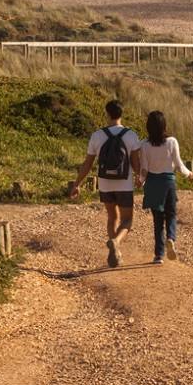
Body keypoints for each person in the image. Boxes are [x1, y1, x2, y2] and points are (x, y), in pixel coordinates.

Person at [70, 100, 142, 268]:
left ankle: (114, 251)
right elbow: (135, 162)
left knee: (112, 217)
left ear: (107, 114)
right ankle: (116, 242)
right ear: (121, 114)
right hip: (124, 184)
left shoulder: (97, 135)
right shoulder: (131, 135)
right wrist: (140, 177)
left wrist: (77, 184)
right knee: (127, 220)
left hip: (105, 183)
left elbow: (87, 163)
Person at [136, 111, 193, 264]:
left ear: (148, 127)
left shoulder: (144, 144)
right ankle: (171, 238)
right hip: (168, 182)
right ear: (164, 125)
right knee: (171, 214)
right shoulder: (172, 141)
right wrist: (189, 174)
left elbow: (144, 168)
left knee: (158, 220)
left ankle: (158, 255)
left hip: (153, 183)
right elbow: (179, 164)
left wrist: (140, 180)